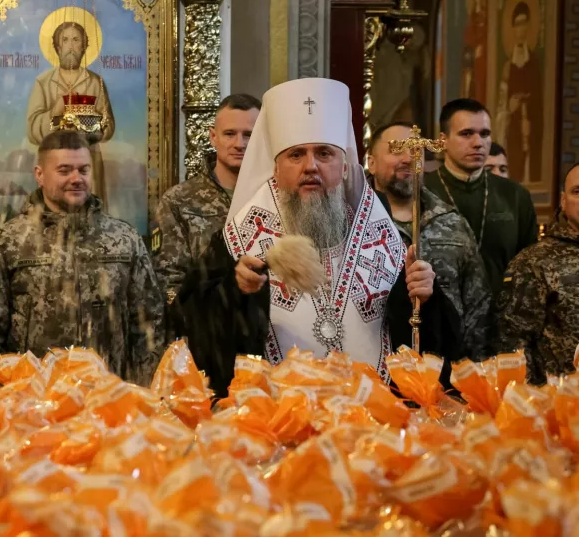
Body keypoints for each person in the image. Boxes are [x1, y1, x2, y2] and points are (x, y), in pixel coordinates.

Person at [174, 79, 447, 396]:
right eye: (296, 155)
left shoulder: (381, 238)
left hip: (369, 413)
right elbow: (191, 324)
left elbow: (422, 342)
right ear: (276, 169)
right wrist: (236, 291)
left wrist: (426, 297)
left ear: (345, 167)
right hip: (274, 413)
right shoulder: (242, 238)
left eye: (324, 153)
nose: (310, 167)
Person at [0, 130, 163, 384]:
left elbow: (148, 324)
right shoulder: (10, 241)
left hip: (108, 393)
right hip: (35, 395)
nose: (76, 179)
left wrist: (143, 390)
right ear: (40, 175)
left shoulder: (124, 239)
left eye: (83, 170)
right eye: (64, 171)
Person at [368, 122, 492, 363]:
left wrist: (471, 369)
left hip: (443, 365)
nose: (408, 158)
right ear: (371, 162)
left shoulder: (451, 222)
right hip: (374, 366)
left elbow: (478, 304)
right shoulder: (352, 221)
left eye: (416, 151)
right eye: (397, 149)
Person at [496, 160, 579, 383]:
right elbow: (514, 344)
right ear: (563, 200)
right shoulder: (535, 261)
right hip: (566, 397)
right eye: (577, 191)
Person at [152, 93, 261, 307]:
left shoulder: (277, 196)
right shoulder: (179, 201)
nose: (239, 144)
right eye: (229, 134)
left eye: (249, 135)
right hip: (206, 319)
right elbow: (168, 281)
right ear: (213, 137)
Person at [424, 99, 538, 295]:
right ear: (443, 141)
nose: (478, 143)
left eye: (484, 134)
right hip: (437, 307)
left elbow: (530, 265)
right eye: (466, 134)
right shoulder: (423, 189)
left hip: (501, 307)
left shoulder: (515, 195)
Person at [27, 21, 115, 206]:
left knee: (91, 213)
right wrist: (55, 111)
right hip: (54, 162)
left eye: (76, 40)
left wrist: (90, 125)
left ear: (84, 46)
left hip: (88, 162)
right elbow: (33, 130)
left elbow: (108, 127)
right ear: (57, 46)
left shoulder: (95, 82)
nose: (70, 46)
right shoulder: (43, 82)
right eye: (65, 40)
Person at [498, 1, 543, 184]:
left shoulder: (534, 62)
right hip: (513, 130)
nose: (521, 29)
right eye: (517, 24)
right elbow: (501, 104)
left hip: (531, 126)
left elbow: (539, 98)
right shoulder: (507, 66)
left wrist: (530, 113)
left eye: (524, 23)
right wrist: (510, 108)